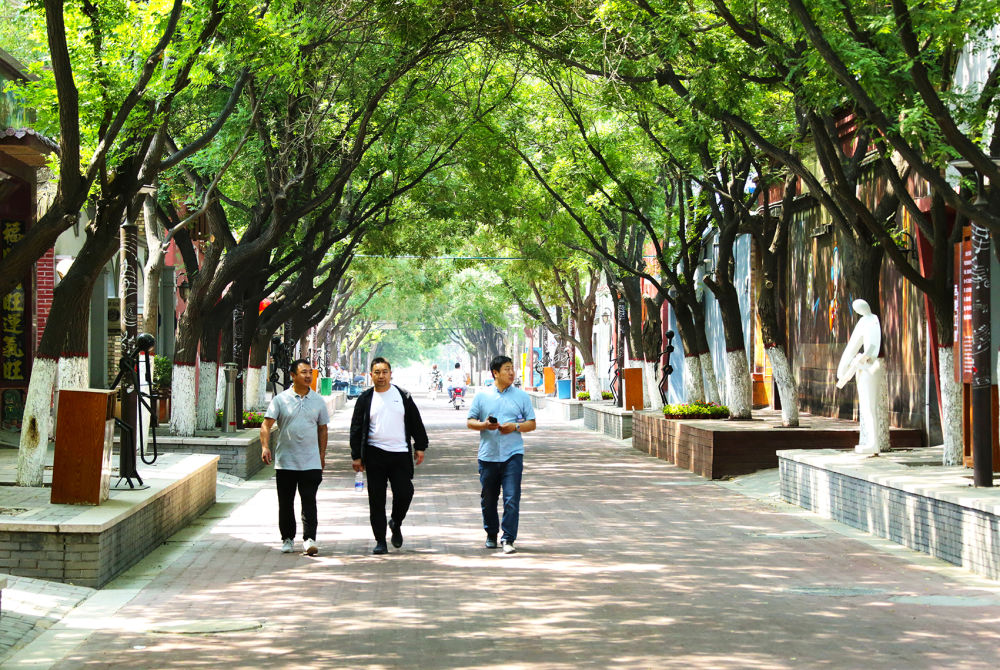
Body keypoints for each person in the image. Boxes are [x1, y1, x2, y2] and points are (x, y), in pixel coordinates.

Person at [350, 357, 429, 554]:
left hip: (400, 454)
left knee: (405, 492)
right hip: (374, 454)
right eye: (377, 372)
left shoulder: (403, 396)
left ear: (390, 374)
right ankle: (380, 541)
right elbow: (356, 428)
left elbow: (416, 422)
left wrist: (420, 446)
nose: (381, 376)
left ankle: (396, 521)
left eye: (384, 372)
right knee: (376, 499)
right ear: (371, 375)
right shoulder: (365, 399)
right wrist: (356, 456)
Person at [466, 355, 536, 554]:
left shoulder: (521, 397)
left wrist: (515, 426)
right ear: (495, 373)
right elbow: (470, 421)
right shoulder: (482, 396)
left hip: (513, 454)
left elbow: (531, 423)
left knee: (511, 498)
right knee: (488, 498)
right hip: (488, 456)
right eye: (506, 369)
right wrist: (484, 425)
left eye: (512, 368)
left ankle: (508, 538)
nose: (511, 373)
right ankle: (491, 533)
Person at [260, 358, 329, 555]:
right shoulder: (280, 400)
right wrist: (265, 447)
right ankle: (287, 538)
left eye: (310, 372)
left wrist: (321, 455)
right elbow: (266, 425)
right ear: (292, 376)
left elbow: (323, 429)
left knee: (309, 501)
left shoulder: (318, 401)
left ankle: (309, 539)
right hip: (286, 462)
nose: (308, 376)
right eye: (303, 372)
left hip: (310, 462)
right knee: (286, 503)